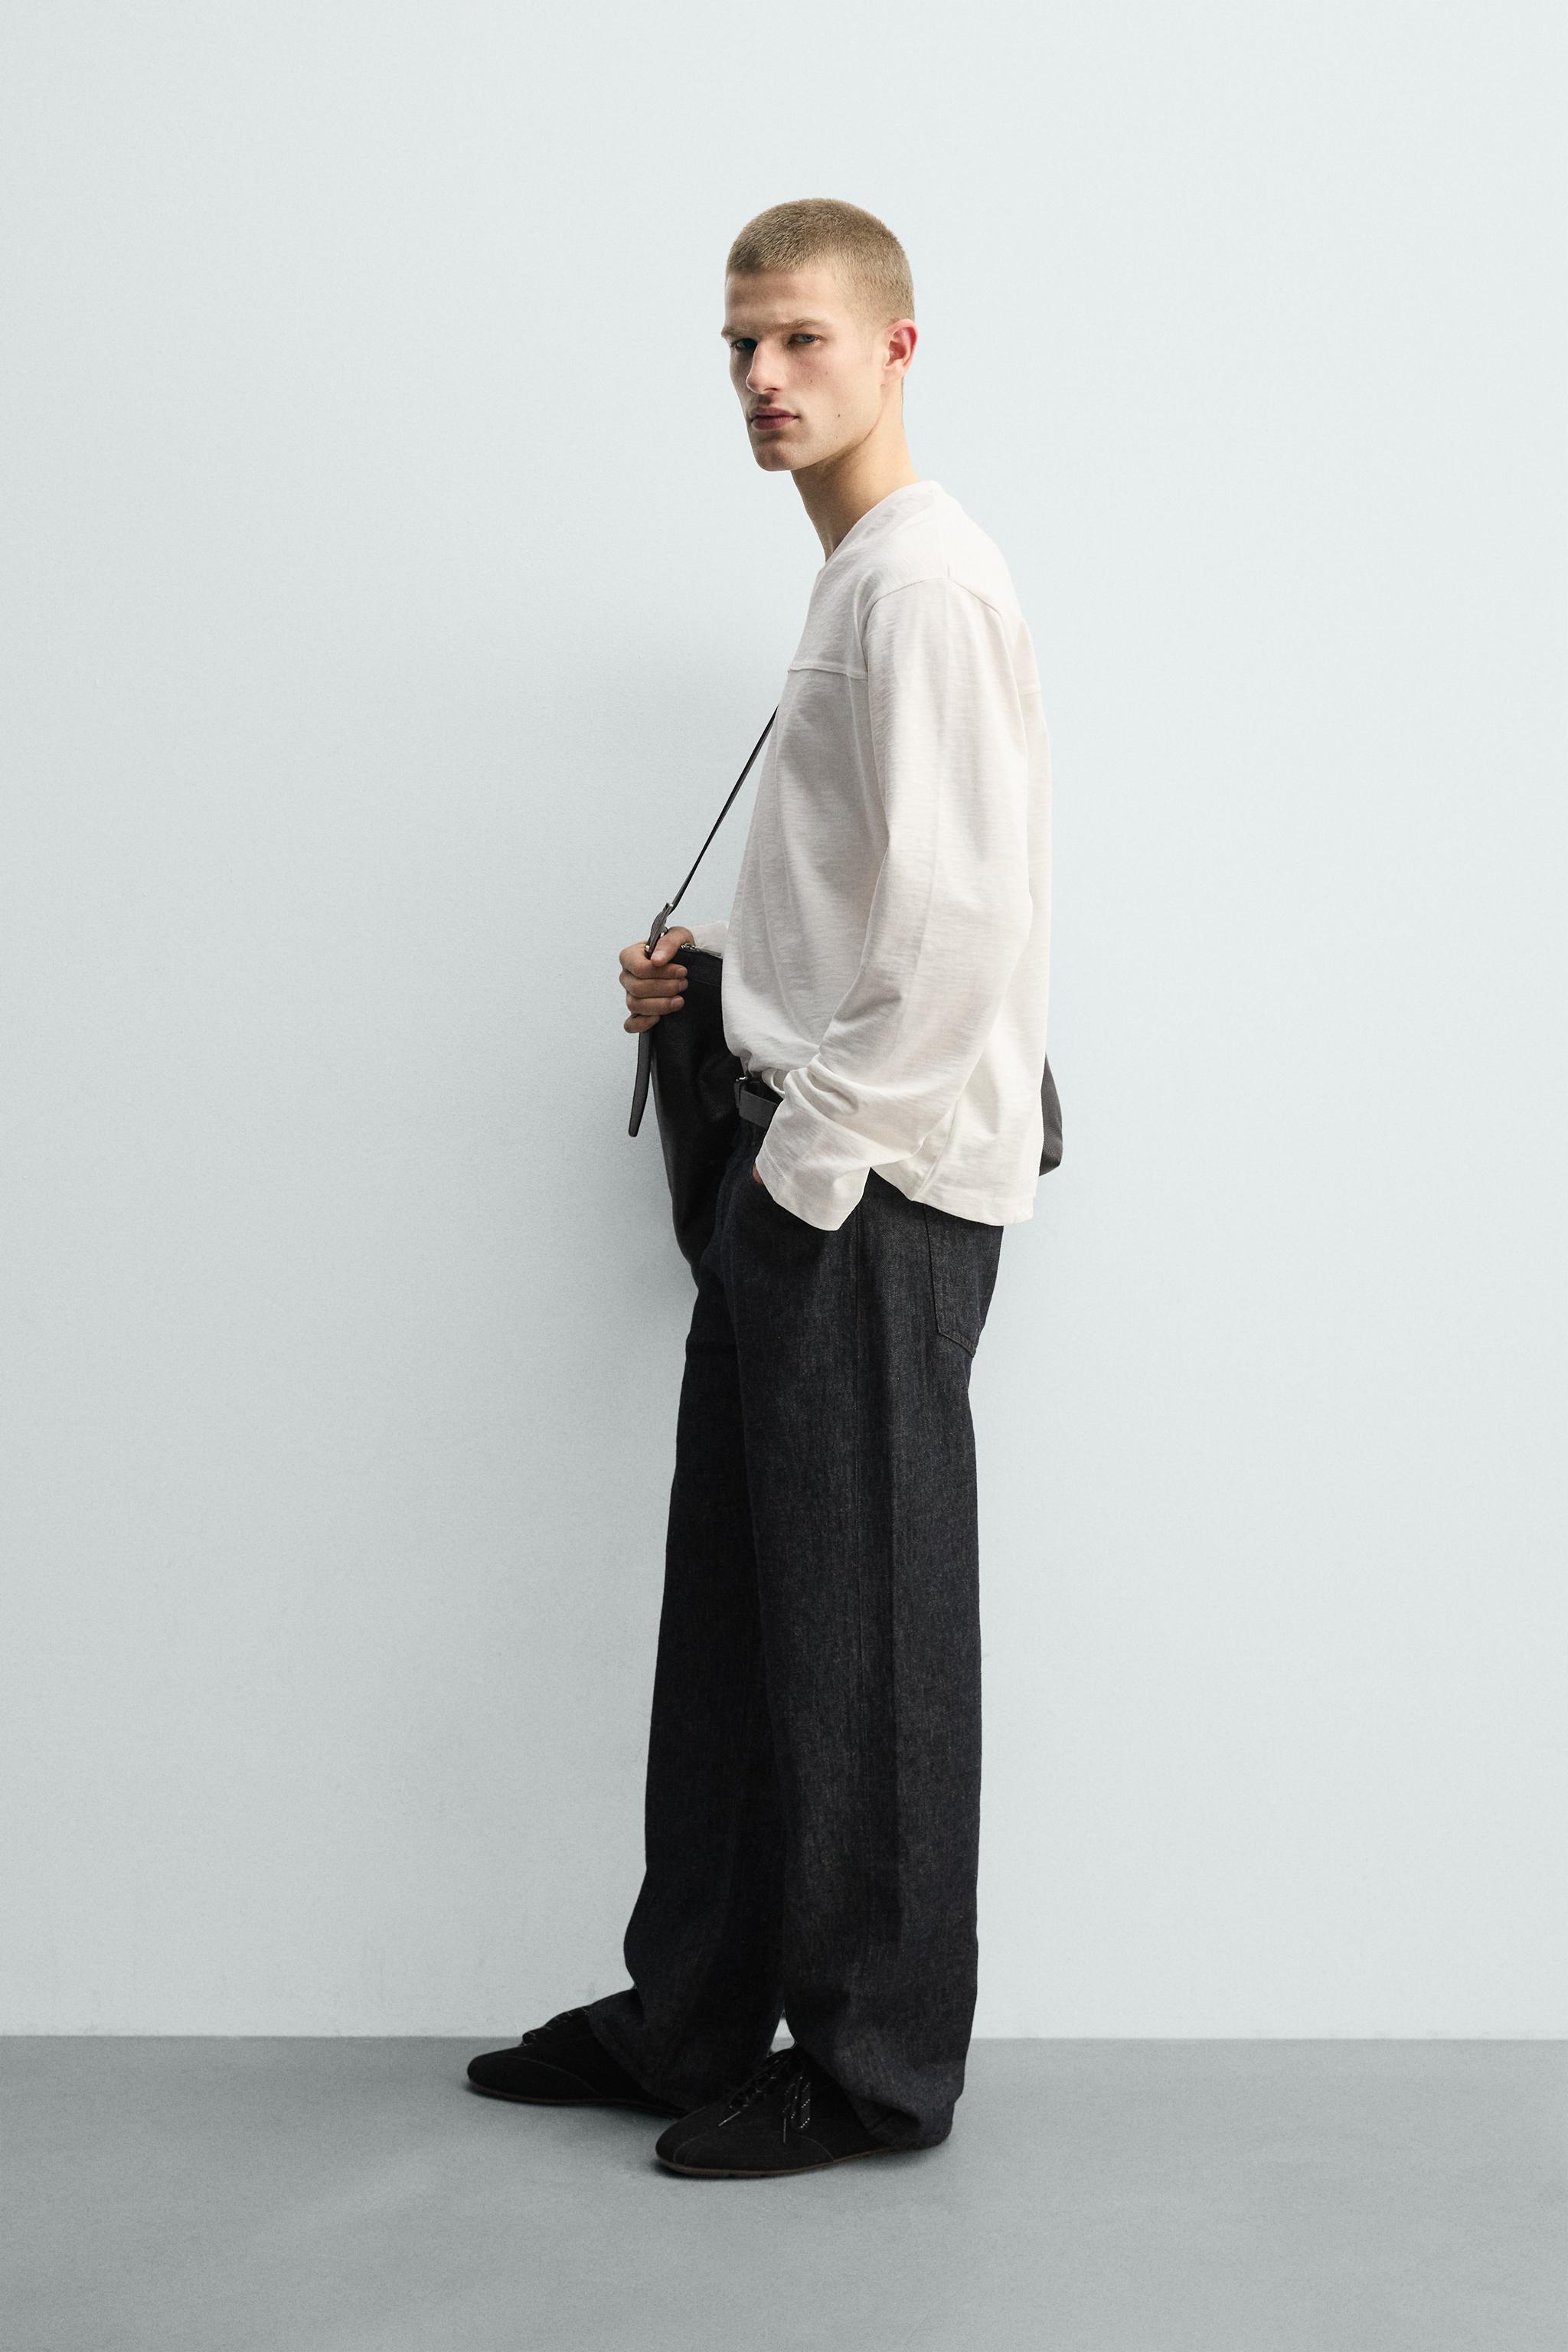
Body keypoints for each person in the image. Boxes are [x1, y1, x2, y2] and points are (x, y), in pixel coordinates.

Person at [467, 197, 1054, 2179]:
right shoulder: (859, 579)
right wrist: (722, 983)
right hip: (815, 1175)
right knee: (733, 1625)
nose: (763, 377)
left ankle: (877, 2070)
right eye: (739, 344)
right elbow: (879, 907)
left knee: (865, 1638)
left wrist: (801, 1172)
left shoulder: (924, 586)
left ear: (897, 347)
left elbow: (964, 934)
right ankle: (694, 2015)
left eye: (801, 337)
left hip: (865, 1197)